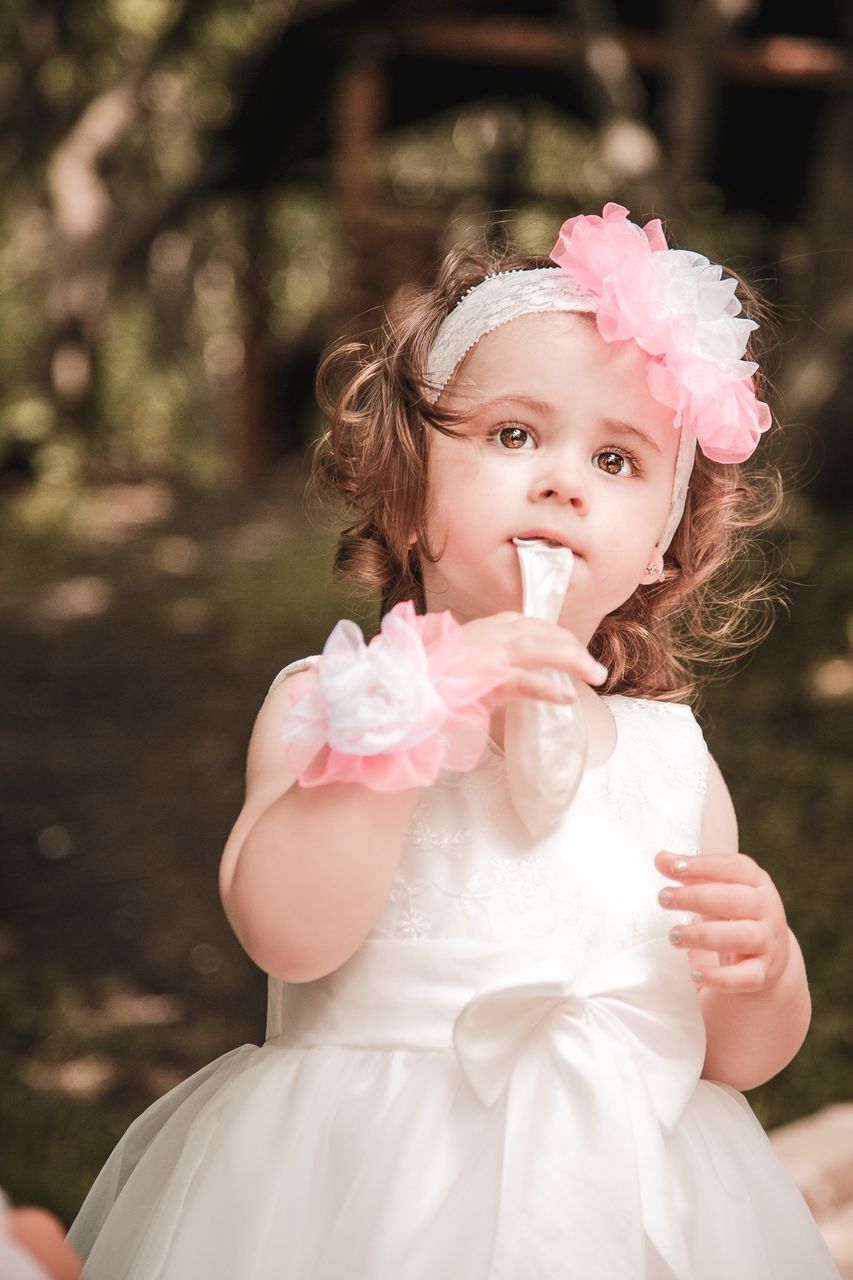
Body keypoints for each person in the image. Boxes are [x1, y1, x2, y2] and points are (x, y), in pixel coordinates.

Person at [69, 203, 840, 1278]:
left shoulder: (671, 758)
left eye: (617, 459)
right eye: (513, 435)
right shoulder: (334, 699)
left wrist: (764, 969)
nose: (564, 477)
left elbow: (728, 1056)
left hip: (624, 1206)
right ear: (406, 493)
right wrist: (410, 717)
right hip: (367, 1194)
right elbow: (288, 932)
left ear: (662, 548)